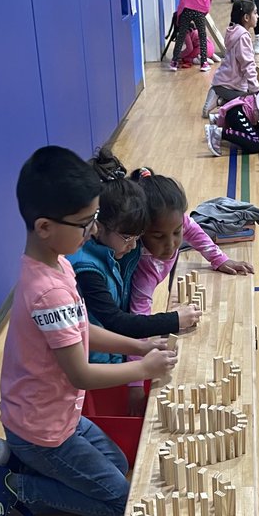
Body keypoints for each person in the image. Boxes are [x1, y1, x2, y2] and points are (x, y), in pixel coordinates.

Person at [0, 146, 177, 516]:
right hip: (42, 429)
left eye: (94, 219)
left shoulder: (56, 263)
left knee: (118, 462)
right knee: (116, 499)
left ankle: (19, 461)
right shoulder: (50, 293)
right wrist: (143, 369)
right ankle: (13, 487)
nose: (92, 230)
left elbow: (85, 329)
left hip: (53, 416)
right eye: (85, 223)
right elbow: (80, 372)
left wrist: (139, 343)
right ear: (45, 226)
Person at [69, 147, 201, 365]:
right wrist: (173, 320)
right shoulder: (87, 270)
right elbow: (116, 322)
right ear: (98, 227)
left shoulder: (118, 248)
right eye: (128, 237)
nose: (134, 247)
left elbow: (178, 220)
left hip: (118, 356)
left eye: (138, 237)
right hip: (97, 367)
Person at [129, 167, 254, 321]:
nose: (171, 244)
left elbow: (194, 232)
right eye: (158, 236)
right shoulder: (143, 272)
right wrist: (146, 344)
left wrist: (219, 259)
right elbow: (139, 314)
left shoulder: (178, 220)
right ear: (140, 232)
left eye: (177, 232)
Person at [202, 0, 258, 119]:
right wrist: (255, 90)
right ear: (246, 18)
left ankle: (221, 99)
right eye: (255, 13)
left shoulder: (234, 31)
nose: (257, 16)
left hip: (222, 82)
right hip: (229, 86)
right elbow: (248, 65)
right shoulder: (243, 37)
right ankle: (219, 101)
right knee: (250, 101)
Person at [169, 0, 213, 73]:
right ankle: (204, 63)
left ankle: (174, 62)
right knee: (202, 36)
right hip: (199, 12)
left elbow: (181, 5)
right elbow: (207, 7)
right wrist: (202, 14)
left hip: (186, 11)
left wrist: (179, 20)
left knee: (181, 37)